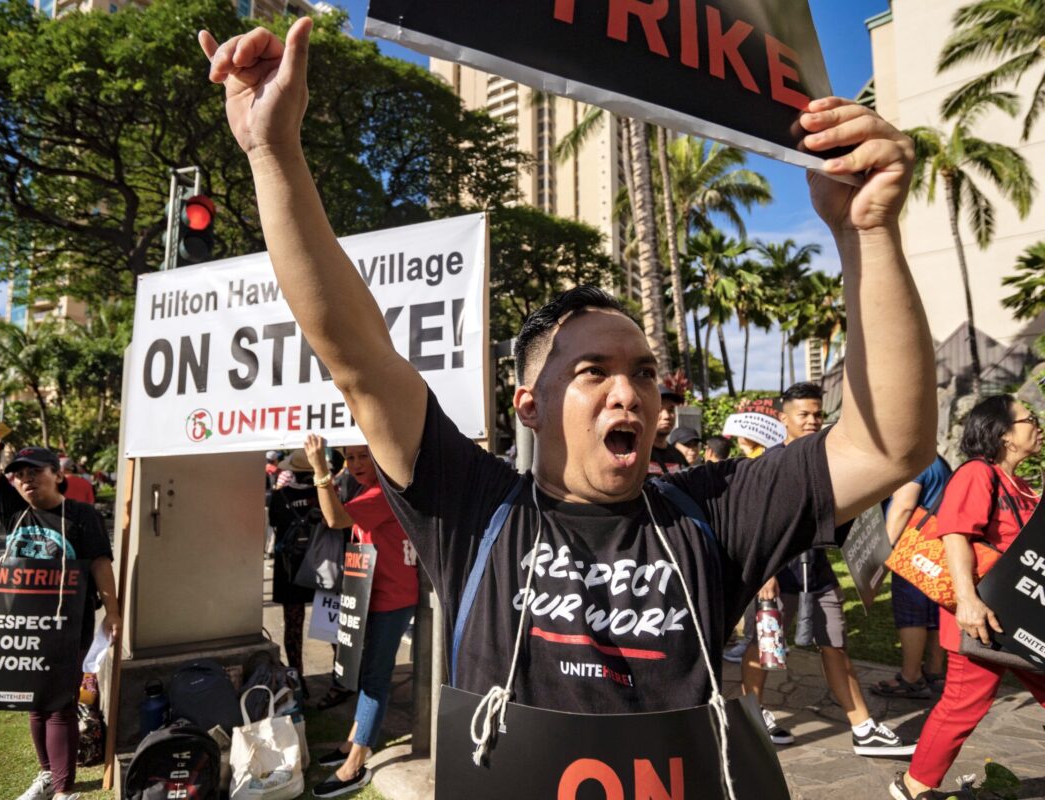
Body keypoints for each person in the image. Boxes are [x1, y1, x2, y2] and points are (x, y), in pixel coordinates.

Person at [199, 11, 934, 771]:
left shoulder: (715, 513)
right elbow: (354, 352)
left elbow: (890, 446)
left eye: (645, 373)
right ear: (529, 406)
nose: (631, 394)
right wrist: (273, 151)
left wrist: (867, 231)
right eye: (595, 373)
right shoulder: (474, 510)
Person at [0, 395, 119, 800]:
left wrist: (114, 612)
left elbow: (101, 564)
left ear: (57, 475)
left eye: (35, 472)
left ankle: (64, 789)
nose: (26, 479)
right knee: (33, 702)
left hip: (69, 623)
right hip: (21, 622)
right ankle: (47, 776)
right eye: (19, 475)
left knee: (61, 702)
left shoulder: (82, 517)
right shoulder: (14, 510)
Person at [739, 383, 914, 755]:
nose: (812, 420)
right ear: (783, 418)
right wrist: (763, 574)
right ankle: (752, 716)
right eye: (803, 414)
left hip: (818, 572)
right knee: (763, 645)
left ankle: (863, 727)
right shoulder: (767, 465)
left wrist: (870, 558)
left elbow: (850, 516)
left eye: (817, 413)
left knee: (834, 644)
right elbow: (753, 526)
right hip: (777, 573)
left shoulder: (829, 463)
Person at [893, 397, 1045, 800]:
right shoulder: (977, 474)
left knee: (964, 703)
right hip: (981, 618)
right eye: (1030, 419)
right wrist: (967, 601)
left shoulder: (1025, 486)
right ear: (1004, 434)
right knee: (963, 704)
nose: (1038, 424)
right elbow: (955, 534)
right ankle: (914, 786)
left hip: (1021, 617)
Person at [303, 435, 418, 798]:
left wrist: (320, 469)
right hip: (370, 596)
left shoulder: (381, 493)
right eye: (349, 457)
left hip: (391, 600)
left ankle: (355, 763)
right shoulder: (369, 489)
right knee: (365, 671)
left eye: (362, 456)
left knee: (374, 678)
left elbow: (335, 518)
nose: (355, 463)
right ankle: (353, 739)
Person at [872, 455, 952, 699]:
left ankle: (911, 678)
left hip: (912, 549)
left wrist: (882, 552)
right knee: (933, 613)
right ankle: (935, 671)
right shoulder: (938, 462)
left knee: (912, 615)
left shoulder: (915, 463)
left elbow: (904, 506)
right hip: (936, 550)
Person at [267, 450, 320, 689]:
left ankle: (297, 678)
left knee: (293, 625)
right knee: (330, 624)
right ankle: (342, 680)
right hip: (321, 567)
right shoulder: (323, 494)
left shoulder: (279, 497)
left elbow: (275, 523)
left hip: (290, 570)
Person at [649, 387, 688, 474]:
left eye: (671, 410)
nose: (667, 416)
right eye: (659, 409)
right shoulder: (635, 454)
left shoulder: (678, 457)